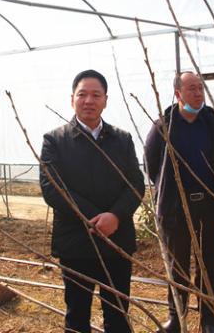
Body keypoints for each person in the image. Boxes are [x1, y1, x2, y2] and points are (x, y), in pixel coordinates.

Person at [40, 69, 145, 333]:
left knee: (118, 316)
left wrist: (115, 216)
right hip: (76, 242)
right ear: (72, 99)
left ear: (105, 100)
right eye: (82, 94)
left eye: (96, 95)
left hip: (116, 240)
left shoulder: (122, 139)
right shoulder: (55, 140)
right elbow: (52, 189)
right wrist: (95, 219)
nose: (89, 100)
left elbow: (135, 184)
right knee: (77, 316)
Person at [143, 71, 214, 333]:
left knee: (208, 265)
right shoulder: (164, 126)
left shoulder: (212, 123)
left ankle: (208, 321)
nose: (198, 93)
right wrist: (169, 191)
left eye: (200, 88)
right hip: (176, 209)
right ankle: (176, 319)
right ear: (178, 93)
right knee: (177, 265)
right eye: (192, 88)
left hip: (208, 206)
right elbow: (151, 164)